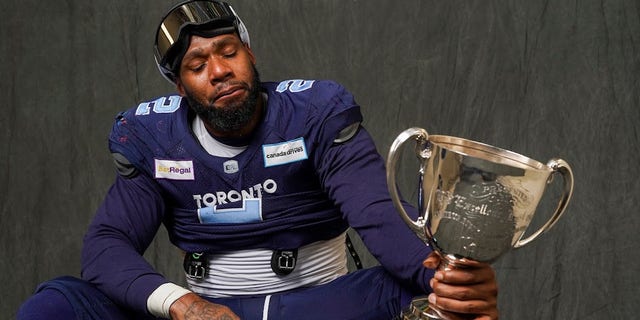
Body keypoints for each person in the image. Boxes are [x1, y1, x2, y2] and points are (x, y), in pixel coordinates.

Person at [18, 1, 498, 319]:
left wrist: (443, 276)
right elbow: (106, 245)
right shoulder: (155, 139)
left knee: (437, 299)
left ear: (249, 53)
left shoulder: (312, 114)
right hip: (208, 309)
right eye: (197, 65)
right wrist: (182, 305)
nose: (219, 71)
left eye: (228, 52)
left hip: (316, 305)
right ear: (180, 87)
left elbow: (375, 211)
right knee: (56, 304)